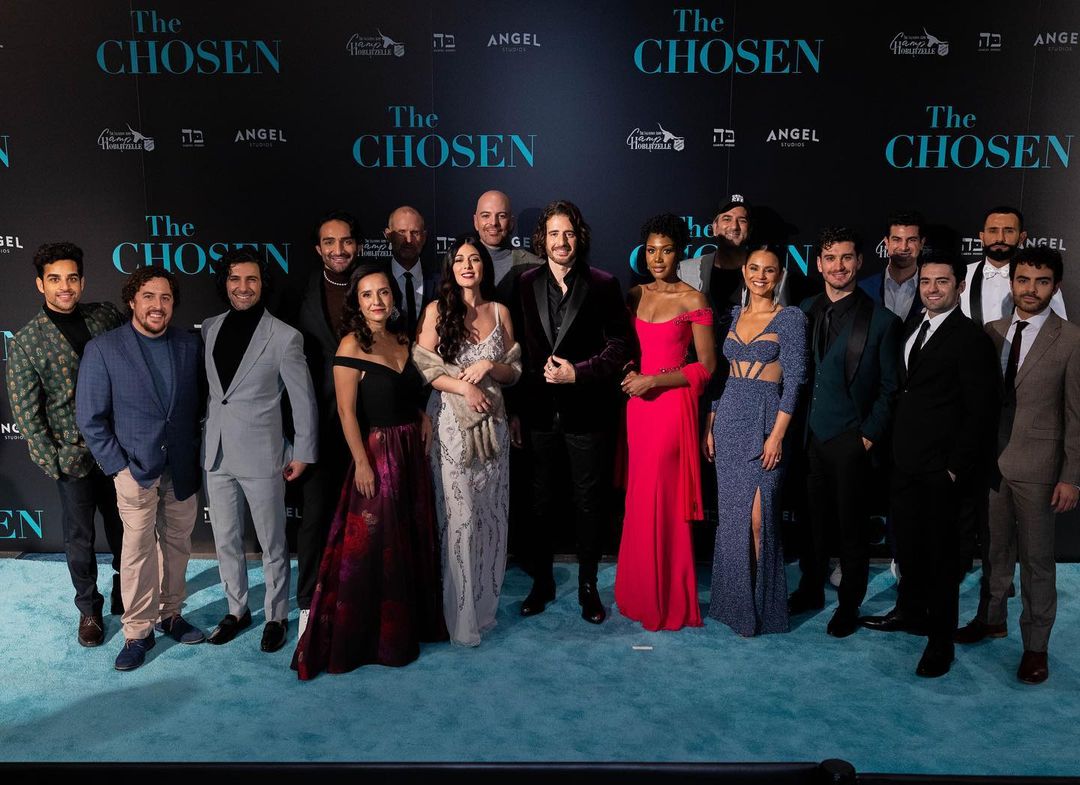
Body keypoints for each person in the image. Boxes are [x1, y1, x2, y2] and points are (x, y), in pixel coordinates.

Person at [292, 264, 447, 678]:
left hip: (411, 452)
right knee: (375, 550)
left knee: (407, 540)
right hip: (378, 454)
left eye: (383, 292)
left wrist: (421, 415)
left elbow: (409, 391)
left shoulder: (402, 338)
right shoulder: (351, 344)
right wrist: (361, 462)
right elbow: (346, 412)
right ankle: (375, 639)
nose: (377, 301)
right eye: (367, 294)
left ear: (393, 297)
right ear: (356, 302)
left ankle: (411, 625)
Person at [861, 252, 1000, 678]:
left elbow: (981, 411)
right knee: (908, 547)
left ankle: (940, 642)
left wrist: (955, 467)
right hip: (904, 463)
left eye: (942, 282)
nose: (932, 289)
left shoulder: (971, 338)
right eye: (926, 282)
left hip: (942, 470)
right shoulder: (911, 326)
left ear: (960, 286)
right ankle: (908, 612)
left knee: (941, 559)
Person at [955, 247, 1080, 684]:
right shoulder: (992, 331)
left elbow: (1076, 416)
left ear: (1055, 287)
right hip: (991, 463)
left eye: (1041, 282)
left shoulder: (1071, 340)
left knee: (1037, 561)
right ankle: (991, 618)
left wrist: (1071, 476)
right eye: (1023, 280)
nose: (1030, 289)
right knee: (993, 550)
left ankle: (1035, 647)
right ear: (1012, 284)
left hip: (1040, 467)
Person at [76, 266, 205, 671]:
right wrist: (120, 467)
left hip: (181, 467)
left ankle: (171, 614)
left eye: (165, 298)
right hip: (134, 469)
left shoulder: (189, 344)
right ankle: (137, 631)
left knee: (178, 545)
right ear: (132, 300)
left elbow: (199, 404)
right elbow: (90, 418)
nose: (157, 305)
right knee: (136, 552)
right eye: (148, 296)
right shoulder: (104, 349)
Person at [512, 199, 631, 624]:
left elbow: (620, 346)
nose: (561, 241)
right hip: (538, 413)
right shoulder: (524, 283)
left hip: (589, 412)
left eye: (568, 233)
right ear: (541, 239)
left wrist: (577, 373)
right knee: (540, 503)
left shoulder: (604, 283)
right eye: (553, 234)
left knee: (588, 503)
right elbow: (516, 350)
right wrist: (515, 410)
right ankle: (542, 582)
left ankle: (587, 587)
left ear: (579, 237)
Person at [6, 242, 125, 647]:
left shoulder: (104, 316)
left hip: (117, 447)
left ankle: (125, 588)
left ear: (82, 281)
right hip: (73, 457)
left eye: (72, 278)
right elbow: (26, 413)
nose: (65, 287)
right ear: (40, 285)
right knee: (79, 538)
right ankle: (89, 609)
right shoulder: (27, 341)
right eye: (55, 279)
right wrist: (55, 462)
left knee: (126, 527)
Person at [201, 249, 318, 653]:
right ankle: (237, 610)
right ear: (225, 283)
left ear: (263, 284)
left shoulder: (284, 337)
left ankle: (276, 616)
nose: (243, 287)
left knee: (272, 543)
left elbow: (303, 401)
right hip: (216, 453)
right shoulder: (211, 327)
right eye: (235, 279)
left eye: (251, 279)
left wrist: (302, 451)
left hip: (263, 455)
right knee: (225, 540)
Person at [789, 228, 901, 637]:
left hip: (851, 440)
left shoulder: (882, 321)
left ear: (859, 262)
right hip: (809, 438)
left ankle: (849, 604)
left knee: (852, 530)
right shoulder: (804, 310)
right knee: (811, 524)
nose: (839, 266)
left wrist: (867, 437)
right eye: (831, 258)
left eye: (847, 258)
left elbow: (891, 388)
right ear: (819, 264)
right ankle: (809, 589)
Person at [413, 235, 522, 646]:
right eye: (459, 259)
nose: (467, 266)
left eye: (474, 259)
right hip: (451, 428)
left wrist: (490, 365)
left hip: (494, 429)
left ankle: (483, 609)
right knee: (460, 521)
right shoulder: (436, 311)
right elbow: (425, 367)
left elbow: (514, 371)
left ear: (484, 267)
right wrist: (464, 387)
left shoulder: (500, 311)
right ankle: (459, 618)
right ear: (451, 267)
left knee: (491, 518)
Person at [616, 214, 715, 631]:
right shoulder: (633, 295)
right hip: (637, 409)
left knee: (662, 497)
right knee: (640, 497)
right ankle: (639, 591)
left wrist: (653, 380)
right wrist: (628, 371)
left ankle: (666, 596)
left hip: (671, 407)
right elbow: (621, 347)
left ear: (680, 253)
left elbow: (706, 367)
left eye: (667, 250)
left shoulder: (694, 300)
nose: (658, 258)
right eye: (651, 250)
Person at [706, 244, 806, 636]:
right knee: (732, 519)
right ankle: (733, 606)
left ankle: (765, 609)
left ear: (779, 275)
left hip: (767, 422)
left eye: (769, 270)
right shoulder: (733, 315)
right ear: (744, 272)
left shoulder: (790, 318)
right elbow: (720, 376)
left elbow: (794, 382)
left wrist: (777, 436)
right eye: (754, 268)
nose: (760, 276)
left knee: (760, 519)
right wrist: (710, 423)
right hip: (729, 420)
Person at [290, 210, 360, 637]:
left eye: (346, 241)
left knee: (366, 517)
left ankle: (358, 598)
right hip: (317, 423)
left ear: (357, 245)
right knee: (315, 517)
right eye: (329, 242)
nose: (339, 249)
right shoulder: (299, 295)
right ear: (318, 249)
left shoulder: (373, 286)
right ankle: (308, 604)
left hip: (367, 423)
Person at [961, 206, 1066, 325]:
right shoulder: (963, 273)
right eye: (993, 230)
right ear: (982, 236)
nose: (1000, 238)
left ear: (1021, 238)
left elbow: (1059, 328)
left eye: (1009, 231)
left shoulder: (1042, 281)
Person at [472, 189, 542, 303]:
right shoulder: (458, 264)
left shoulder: (536, 266)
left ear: (511, 223)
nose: (493, 222)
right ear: (476, 221)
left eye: (501, 216)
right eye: (486, 215)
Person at [858, 210, 926, 328]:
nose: (904, 247)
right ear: (886, 242)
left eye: (911, 240)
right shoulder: (863, 289)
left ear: (922, 243)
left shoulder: (932, 291)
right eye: (897, 239)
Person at [383, 205, 441, 336]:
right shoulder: (376, 279)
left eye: (415, 233)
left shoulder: (440, 281)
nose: (408, 240)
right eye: (401, 232)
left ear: (424, 237)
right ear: (388, 235)